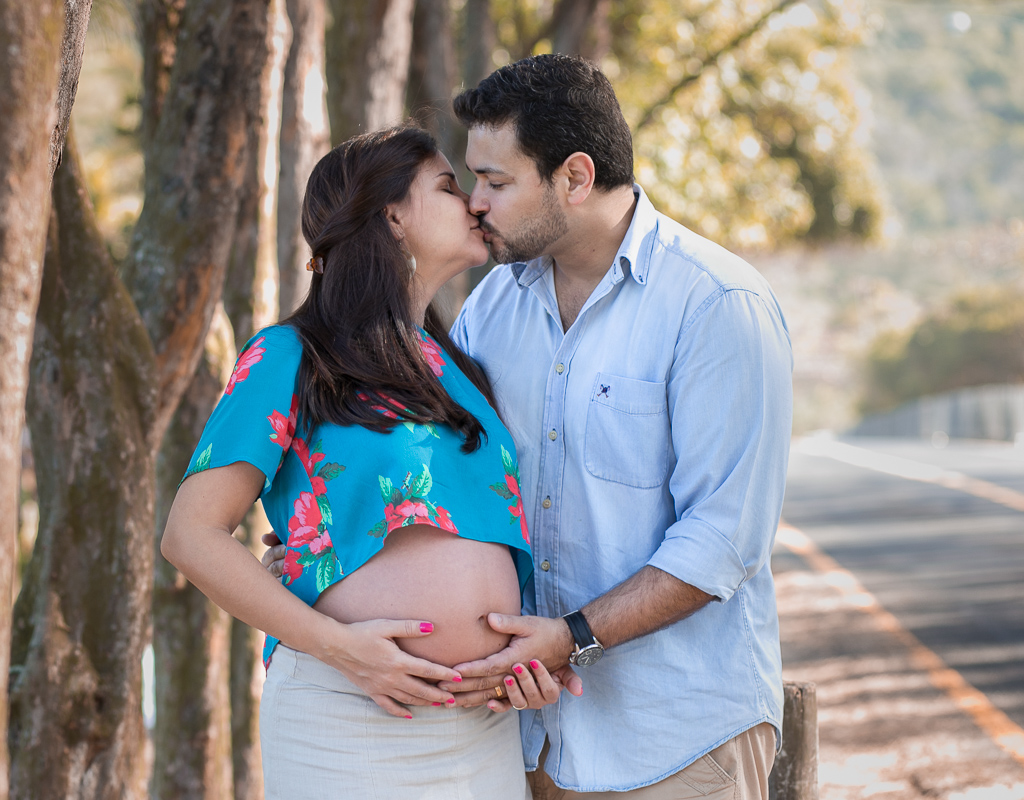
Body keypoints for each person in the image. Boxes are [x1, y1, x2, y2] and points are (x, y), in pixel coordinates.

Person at [160, 126, 569, 800]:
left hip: (481, 729)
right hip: (348, 719)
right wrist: (339, 646)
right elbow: (190, 535)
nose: (473, 203)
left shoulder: (460, 368)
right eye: (447, 186)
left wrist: (521, 659)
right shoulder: (292, 355)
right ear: (391, 216)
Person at [436, 54, 795, 799]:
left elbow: (725, 537)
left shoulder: (717, 304)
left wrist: (572, 636)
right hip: (525, 739)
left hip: (678, 741)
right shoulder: (489, 310)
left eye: (496, 182)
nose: (475, 203)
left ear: (574, 176)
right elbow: (454, 480)